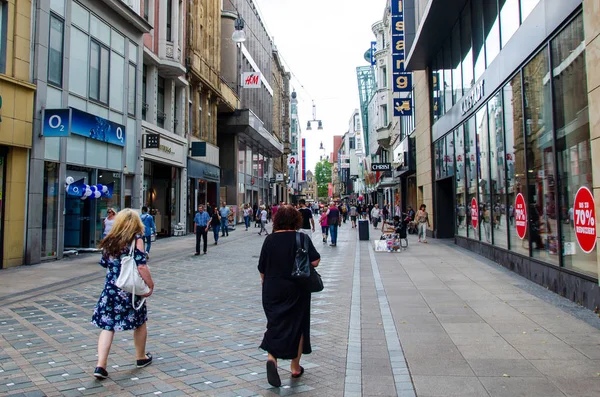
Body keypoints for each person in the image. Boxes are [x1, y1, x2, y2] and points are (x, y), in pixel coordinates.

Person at [258, 205, 321, 387]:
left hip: (273, 288)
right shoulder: (301, 237)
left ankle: (272, 358)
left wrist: (266, 282)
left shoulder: (270, 240)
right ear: (296, 220)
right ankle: (295, 366)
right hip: (297, 288)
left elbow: (262, 268)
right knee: (298, 326)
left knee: (275, 323)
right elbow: (315, 260)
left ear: (277, 220)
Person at [91, 209, 154, 379]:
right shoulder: (135, 240)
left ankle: (101, 365)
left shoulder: (110, 240)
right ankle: (140, 357)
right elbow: (141, 265)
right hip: (129, 290)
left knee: (108, 326)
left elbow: (105, 263)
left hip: (111, 289)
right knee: (140, 321)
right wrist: (150, 284)